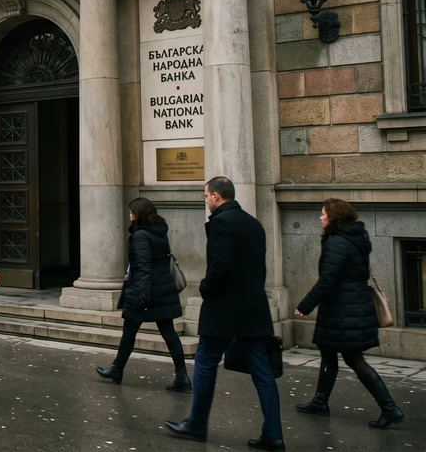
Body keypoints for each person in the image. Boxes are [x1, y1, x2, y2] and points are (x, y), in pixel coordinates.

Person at [165, 177, 283, 451]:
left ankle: (196, 424)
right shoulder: (253, 224)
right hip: (254, 307)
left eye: (206, 196)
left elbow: (222, 265)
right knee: (262, 370)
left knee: (205, 361)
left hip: (225, 308)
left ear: (216, 196)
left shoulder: (221, 223)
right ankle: (274, 434)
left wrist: (205, 288)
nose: (206, 200)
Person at [294, 199, 404, 428]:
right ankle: (320, 401)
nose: (320, 217)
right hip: (348, 307)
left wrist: (305, 305)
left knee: (354, 358)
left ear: (333, 217)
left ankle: (390, 408)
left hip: (344, 310)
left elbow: (328, 280)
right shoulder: (355, 237)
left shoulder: (337, 242)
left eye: (323, 214)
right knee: (329, 353)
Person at [97, 197, 189, 392]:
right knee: (169, 333)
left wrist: (140, 296)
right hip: (163, 290)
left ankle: (117, 369)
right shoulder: (159, 232)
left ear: (139, 214)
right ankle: (182, 377)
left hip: (147, 291)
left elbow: (143, 267)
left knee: (130, 331)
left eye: (132, 211)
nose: (129, 214)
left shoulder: (141, 236)